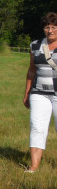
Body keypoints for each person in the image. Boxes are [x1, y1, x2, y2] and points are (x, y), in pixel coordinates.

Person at [24, 12, 57, 173]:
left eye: (54, 27)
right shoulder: (35, 45)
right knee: (37, 126)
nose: (50, 30)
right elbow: (31, 70)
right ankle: (34, 166)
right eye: (47, 27)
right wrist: (27, 92)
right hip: (39, 93)